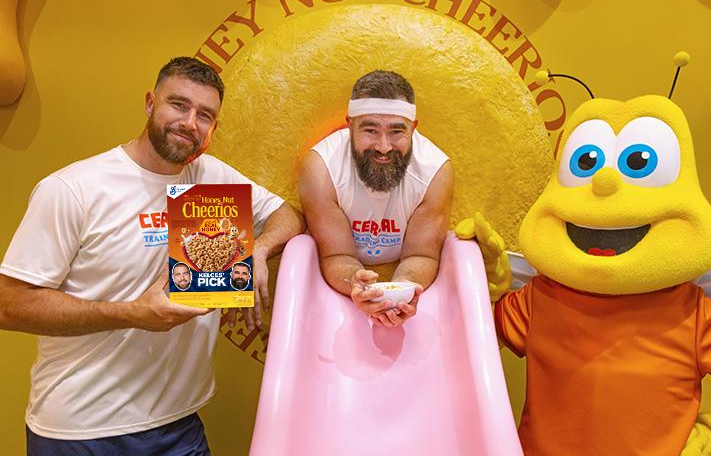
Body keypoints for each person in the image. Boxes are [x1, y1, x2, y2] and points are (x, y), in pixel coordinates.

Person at [0, 57, 305, 454]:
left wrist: (259, 250)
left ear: (214, 127)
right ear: (150, 103)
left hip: (179, 425)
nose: (189, 123)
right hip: (81, 429)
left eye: (205, 115)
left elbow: (288, 215)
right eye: (178, 105)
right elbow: (8, 304)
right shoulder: (74, 189)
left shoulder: (210, 178)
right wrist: (131, 314)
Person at [298, 70, 453, 328]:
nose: (383, 146)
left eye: (396, 132)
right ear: (350, 126)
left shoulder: (436, 171)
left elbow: (422, 255)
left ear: (413, 128)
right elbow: (336, 255)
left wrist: (401, 293)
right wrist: (356, 283)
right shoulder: (320, 168)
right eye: (370, 130)